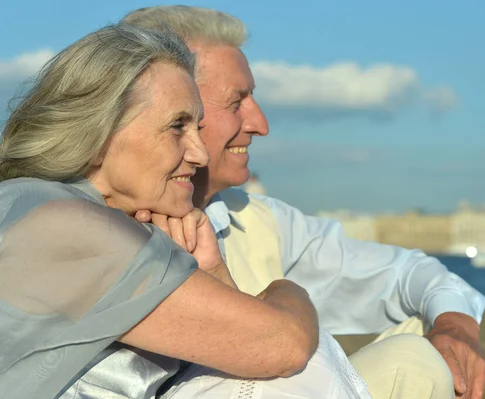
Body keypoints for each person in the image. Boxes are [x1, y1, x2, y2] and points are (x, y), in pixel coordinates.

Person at [123, 6, 485, 399]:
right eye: (237, 101)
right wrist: (289, 298)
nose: (260, 124)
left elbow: (409, 274)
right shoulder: (101, 227)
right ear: (172, 109)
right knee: (409, 361)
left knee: (431, 335)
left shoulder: (256, 219)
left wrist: (455, 326)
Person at [0, 23, 370, 398]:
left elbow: (245, 347)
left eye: (198, 126)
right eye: (178, 126)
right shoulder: (59, 221)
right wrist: (287, 289)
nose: (200, 153)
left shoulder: (86, 218)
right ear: (98, 133)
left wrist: (211, 270)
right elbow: (281, 345)